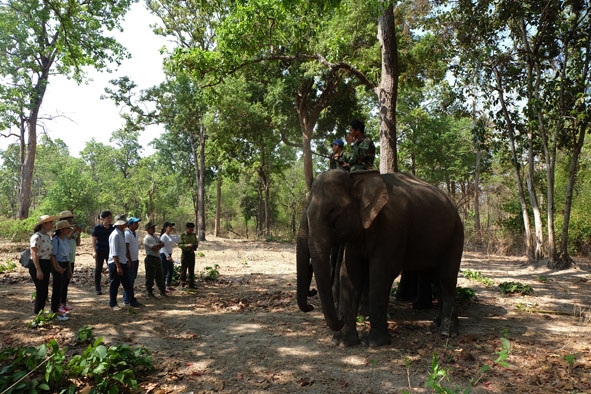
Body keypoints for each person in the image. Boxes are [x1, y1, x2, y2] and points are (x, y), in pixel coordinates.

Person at [107, 214, 143, 310]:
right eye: (124, 223)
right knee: (115, 284)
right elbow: (114, 252)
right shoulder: (115, 235)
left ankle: (132, 301)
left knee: (127, 283)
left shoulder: (122, 233)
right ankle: (113, 303)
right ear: (119, 224)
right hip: (115, 263)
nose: (126, 224)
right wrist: (118, 266)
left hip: (123, 261)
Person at [29, 215, 61, 316]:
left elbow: (50, 254)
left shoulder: (47, 236)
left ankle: (40, 312)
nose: (52, 224)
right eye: (50, 222)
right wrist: (38, 269)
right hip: (37, 263)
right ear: (44, 224)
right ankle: (37, 314)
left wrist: (56, 266)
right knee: (41, 290)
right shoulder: (36, 236)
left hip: (46, 263)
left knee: (44, 290)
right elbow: (34, 253)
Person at [58, 210, 81, 311]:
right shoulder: (61, 231)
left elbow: (78, 243)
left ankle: (64, 301)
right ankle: (59, 303)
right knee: (61, 282)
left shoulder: (72, 229)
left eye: (71, 218)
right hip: (63, 259)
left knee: (67, 281)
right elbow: (66, 239)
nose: (71, 220)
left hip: (71, 258)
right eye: (69, 218)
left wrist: (78, 233)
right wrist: (73, 230)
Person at [51, 220, 72, 321]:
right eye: (67, 228)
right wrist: (57, 267)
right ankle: (56, 309)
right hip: (58, 264)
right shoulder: (55, 240)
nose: (69, 230)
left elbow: (67, 256)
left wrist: (69, 269)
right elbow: (53, 255)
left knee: (63, 286)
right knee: (57, 287)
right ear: (62, 230)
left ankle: (60, 306)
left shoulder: (66, 240)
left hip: (65, 263)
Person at [91, 210, 114, 295]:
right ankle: (98, 288)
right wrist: (94, 251)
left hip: (110, 252)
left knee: (112, 269)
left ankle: (112, 286)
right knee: (98, 270)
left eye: (110, 218)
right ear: (103, 219)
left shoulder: (113, 228)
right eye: (108, 218)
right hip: (100, 251)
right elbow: (94, 239)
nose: (110, 220)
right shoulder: (97, 228)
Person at [143, 221, 167, 298]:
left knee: (160, 275)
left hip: (157, 258)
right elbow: (154, 248)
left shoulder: (155, 236)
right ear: (148, 229)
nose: (153, 229)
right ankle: (149, 292)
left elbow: (162, 244)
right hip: (150, 258)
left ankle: (162, 291)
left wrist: (158, 245)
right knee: (150, 276)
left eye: (154, 227)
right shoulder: (147, 238)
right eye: (152, 228)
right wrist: (159, 245)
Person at [123, 217, 141, 306]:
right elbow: (126, 248)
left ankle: (129, 298)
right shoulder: (127, 234)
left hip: (135, 259)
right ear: (130, 225)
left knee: (132, 279)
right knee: (129, 280)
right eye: (135, 223)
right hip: (129, 261)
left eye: (137, 223)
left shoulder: (135, 233)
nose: (137, 225)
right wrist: (130, 260)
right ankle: (127, 299)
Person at [159, 221, 179, 291]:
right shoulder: (163, 236)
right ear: (165, 228)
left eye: (171, 227)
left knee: (170, 270)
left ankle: (168, 285)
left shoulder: (169, 236)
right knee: (164, 271)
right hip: (164, 255)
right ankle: (162, 287)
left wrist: (176, 233)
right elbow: (162, 247)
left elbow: (177, 241)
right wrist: (167, 256)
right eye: (169, 227)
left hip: (169, 255)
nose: (171, 228)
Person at [178, 222, 198, 289]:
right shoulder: (182, 235)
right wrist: (187, 245)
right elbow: (180, 245)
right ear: (186, 229)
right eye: (190, 229)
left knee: (191, 269)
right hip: (185, 254)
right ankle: (182, 284)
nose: (191, 231)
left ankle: (191, 284)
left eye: (192, 229)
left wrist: (194, 247)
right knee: (184, 269)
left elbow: (196, 242)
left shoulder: (194, 235)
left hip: (191, 254)